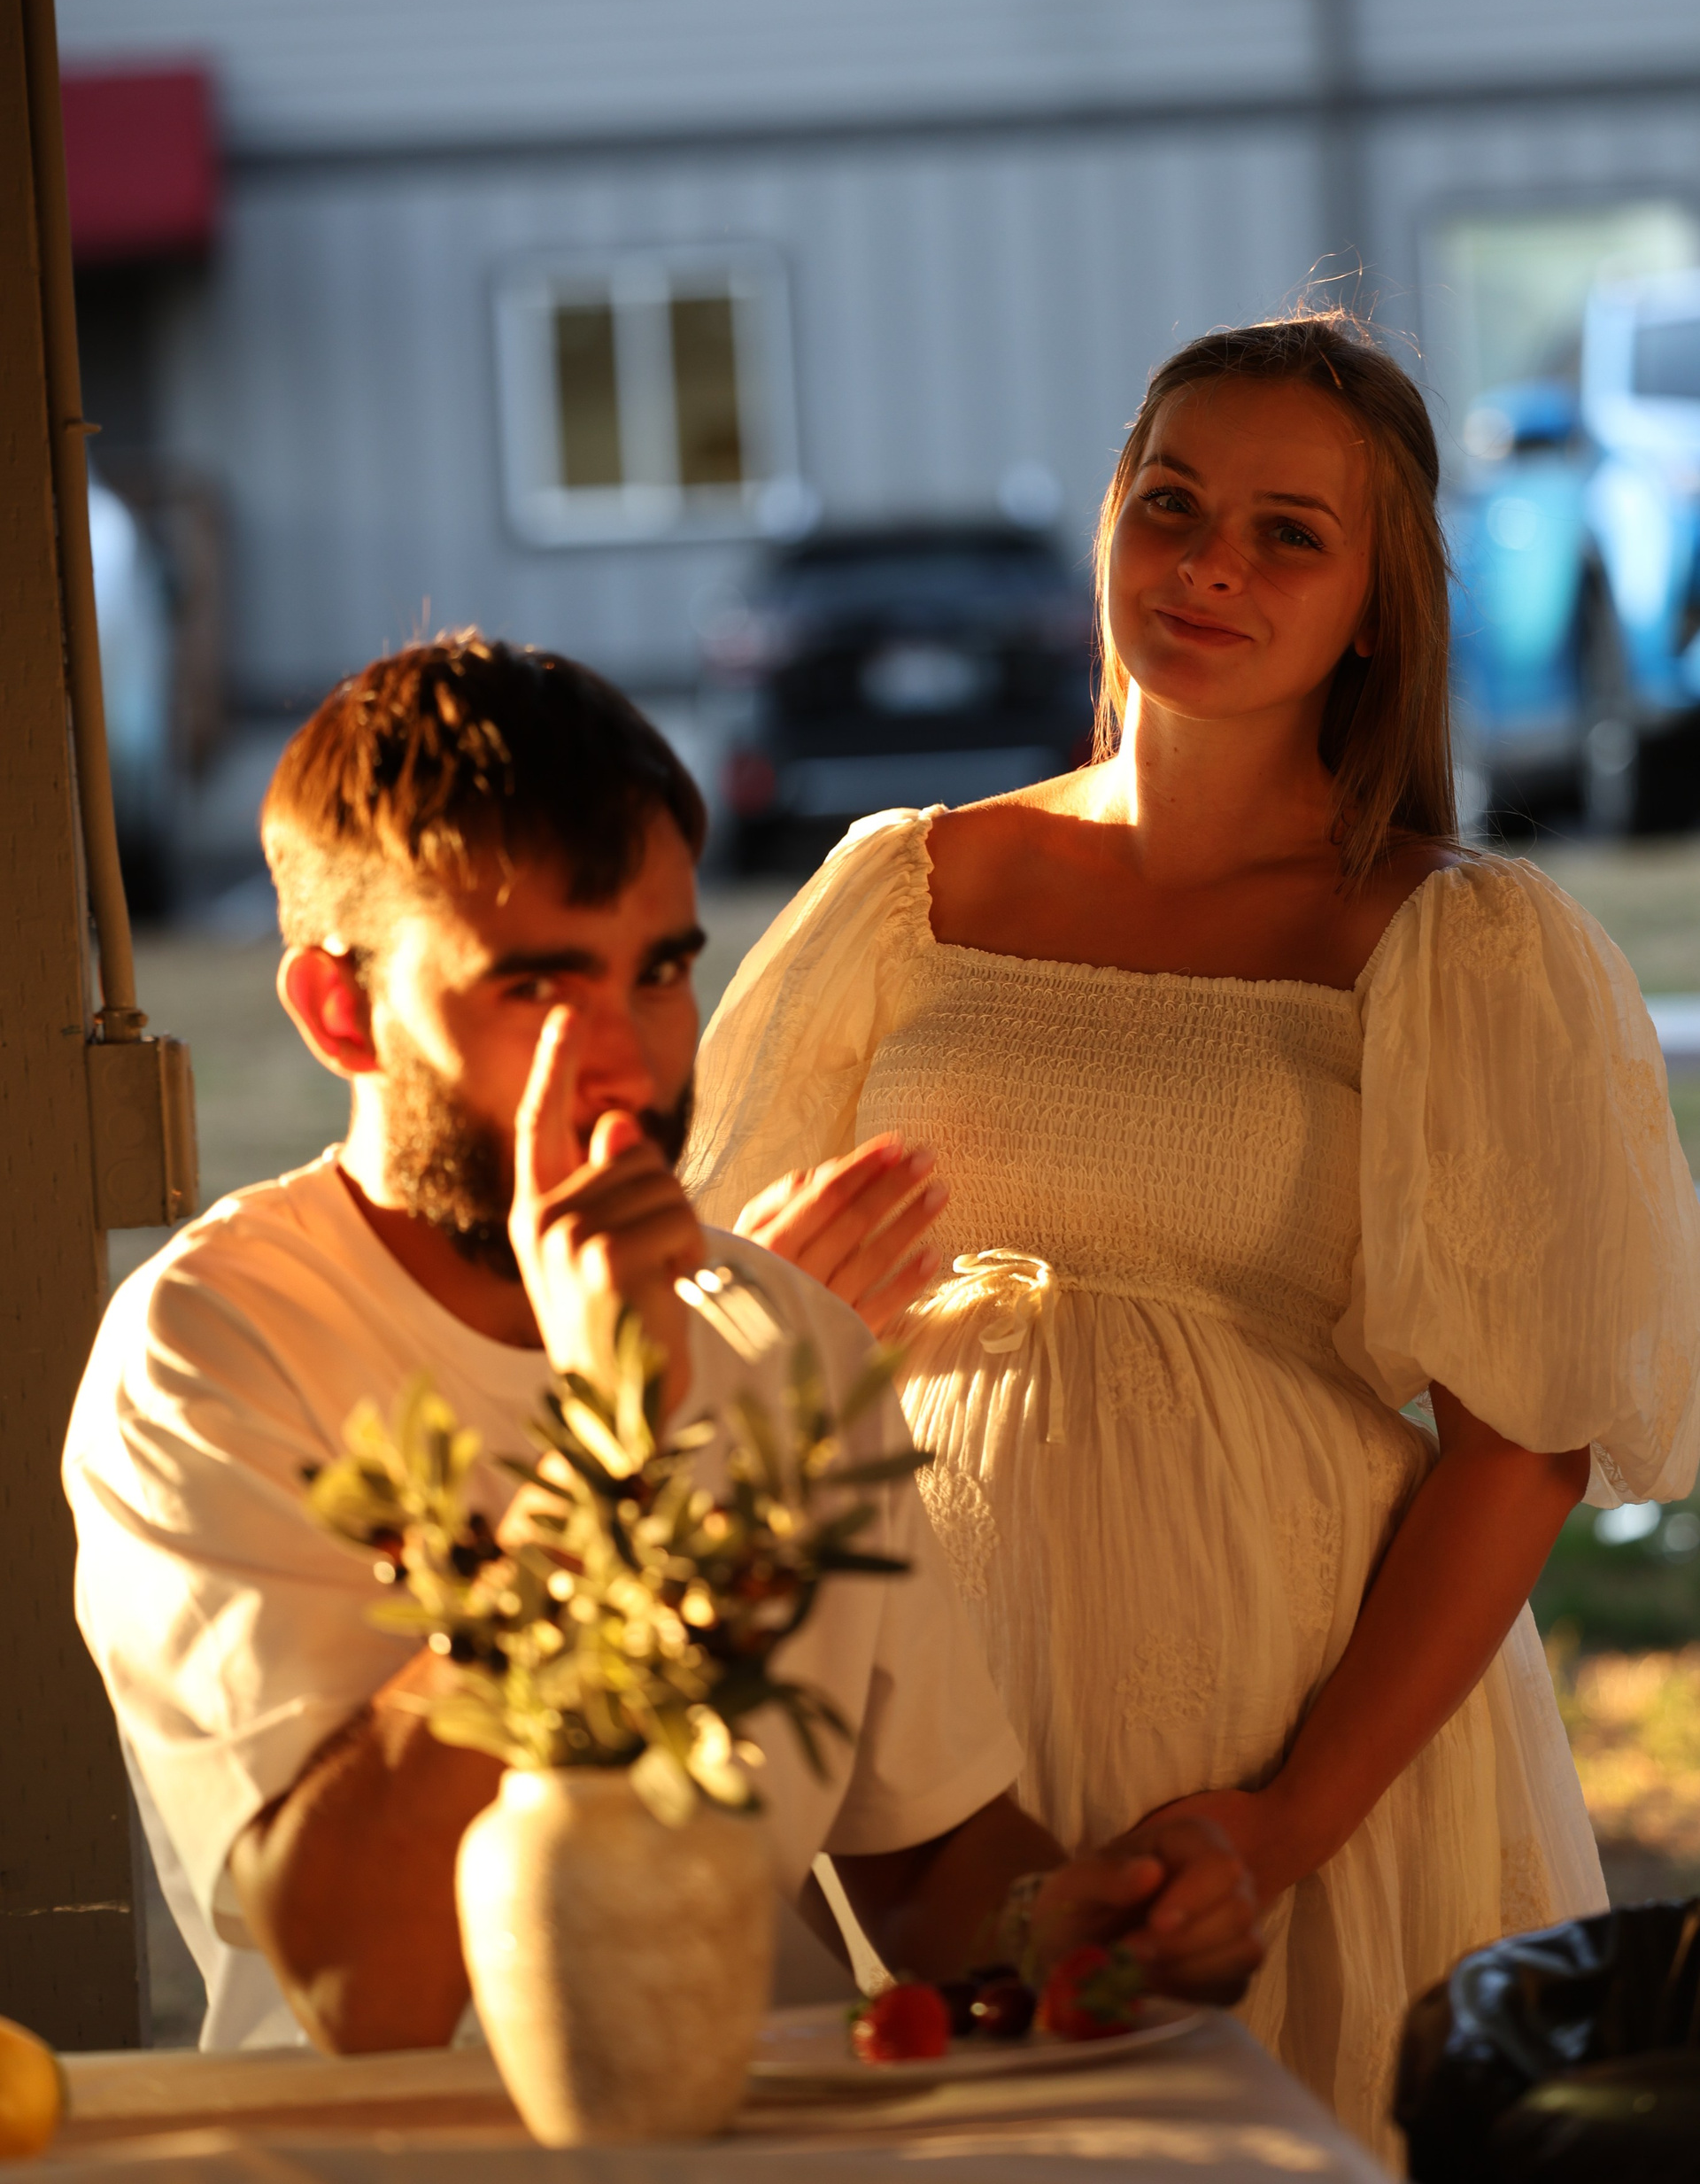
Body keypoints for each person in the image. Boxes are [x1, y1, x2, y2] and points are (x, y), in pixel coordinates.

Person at [683, 314, 1700, 2159]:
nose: (1212, 562)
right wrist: (766, 1311)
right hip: (904, 1693)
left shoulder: (1461, 943)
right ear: (1110, 525)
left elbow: (1522, 1449)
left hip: (1279, 1743)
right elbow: (702, 1314)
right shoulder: (902, 889)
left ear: (1377, 609)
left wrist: (1286, 1826)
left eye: (1289, 534)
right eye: (1173, 503)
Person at [65, 635, 1260, 2056]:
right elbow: (361, 1989)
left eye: (659, 973)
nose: (628, 1063)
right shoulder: (208, 1350)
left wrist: (1076, 1921)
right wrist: (609, 1443)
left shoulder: (783, 1335)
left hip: (772, 2124)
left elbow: (928, 1859)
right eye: (535, 988)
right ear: (344, 1013)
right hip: (395, 2145)